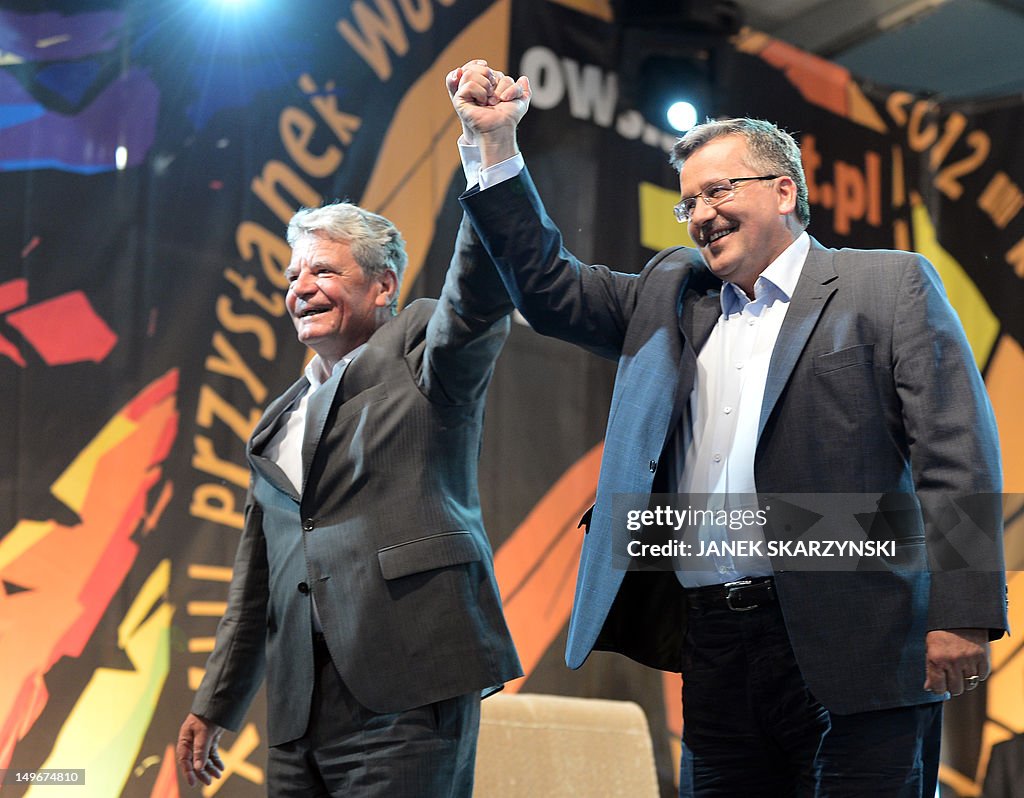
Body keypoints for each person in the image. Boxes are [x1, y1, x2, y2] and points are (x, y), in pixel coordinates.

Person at [448, 60, 1008, 796]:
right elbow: (550, 288)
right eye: (689, 203)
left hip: (861, 641)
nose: (702, 213)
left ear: (784, 191)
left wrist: (962, 614)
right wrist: (494, 146)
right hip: (715, 646)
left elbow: (955, 453)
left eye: (718, 191)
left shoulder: (887, 284)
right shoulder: (672, 294)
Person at [175, 200, 522, 796]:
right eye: (292, 276)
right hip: (298, 712)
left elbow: (478, 300)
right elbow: (256, 579)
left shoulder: (419, 351)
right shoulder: (274, 424)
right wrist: (216, 704)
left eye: (324, 272)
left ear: (383, 284)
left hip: (407, 689)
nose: (301, 289)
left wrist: (489, 157)